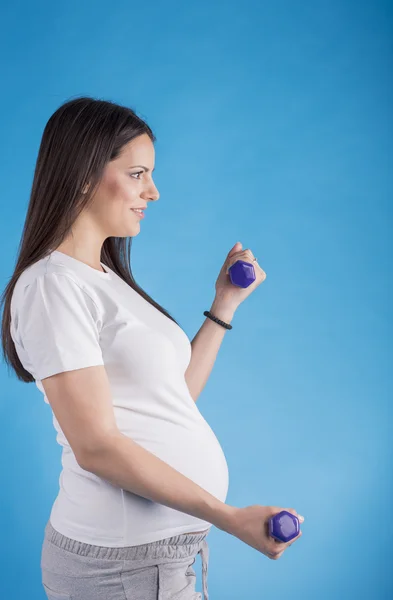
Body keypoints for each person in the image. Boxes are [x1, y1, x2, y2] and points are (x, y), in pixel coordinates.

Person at [1, 96, 304, 600]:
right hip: (120, 569)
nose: (154, 192)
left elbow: (171, 399)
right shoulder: (53, 286)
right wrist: (227, 517)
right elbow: (95, 446)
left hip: (158, 559)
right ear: (82, 174)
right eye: (138, 173)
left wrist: (223, 305)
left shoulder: (101, 278)